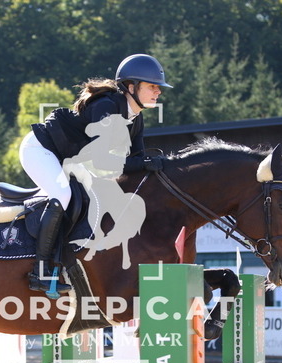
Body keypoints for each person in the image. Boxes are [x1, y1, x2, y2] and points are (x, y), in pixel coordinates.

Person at [19, 53, 172, 293]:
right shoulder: (107, 106)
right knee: (63, 195)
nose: (158, 91)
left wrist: (158, 165)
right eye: (152, 86)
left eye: (158, 87)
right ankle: (40, 272)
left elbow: (136, 161)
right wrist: (144, 163)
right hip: (40, 149)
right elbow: (102, 159)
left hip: (68, 159)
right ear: (131, 87)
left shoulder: (136, 119)